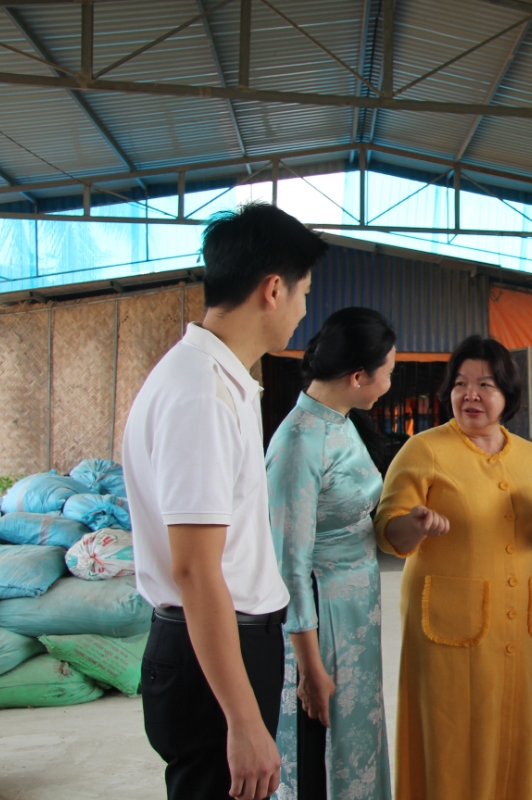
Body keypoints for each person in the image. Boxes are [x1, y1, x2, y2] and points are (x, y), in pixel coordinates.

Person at [124, 202, 327, 800]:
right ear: (272, 290)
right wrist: (242, 719)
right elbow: (193, 568)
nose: (303, 310)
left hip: (223, 644)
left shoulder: (217, 378)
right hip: (212, 651)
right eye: (303, 292)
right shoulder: (201, 393)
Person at [374, 335, 532, 800]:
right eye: (461, 384)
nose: (471, 395)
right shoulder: (424, 450)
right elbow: (388, 530)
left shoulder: (531, 457)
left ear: (508, 394)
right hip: (445, 631)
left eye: (485, 384)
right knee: (451, 739)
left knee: (508, 736)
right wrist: (415, 524)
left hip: (513, 629)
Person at [265, 307, 397, 800]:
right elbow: (288, 563)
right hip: (322, 619)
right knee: (323, 747)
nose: (391, 378)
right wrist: (309, 668)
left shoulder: (341, 423)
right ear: (360, 375)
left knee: (356, 737)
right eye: (388, 369)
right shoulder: (301, 441)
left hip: (355, 611)